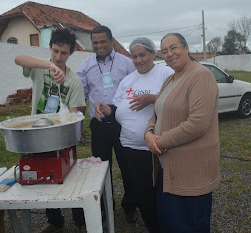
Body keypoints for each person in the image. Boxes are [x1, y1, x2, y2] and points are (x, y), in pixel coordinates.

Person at [95, 37, 173, 233]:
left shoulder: (165, 72)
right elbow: (117, 108)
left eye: (142, 55)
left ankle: (164, 226)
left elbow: (177, 99)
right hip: (128, 146)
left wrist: (153, 98)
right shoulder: (128, 80)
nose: (138, 60)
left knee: (160, 193)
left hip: (155, 146)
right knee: (141, 194)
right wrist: (105, 109)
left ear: (153, 54)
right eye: (134, 56)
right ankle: (154, 227)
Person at [144, 33, 221, 233]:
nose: (169, 54)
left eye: (174, 48)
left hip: (191, 173)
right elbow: (156, 112)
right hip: (167, 170)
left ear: (186, 48)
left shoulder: (201, 76)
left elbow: (198, 124)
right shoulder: (170, 79)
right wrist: (148, 133)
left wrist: (160, 142)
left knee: (189, 225)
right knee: (170, 224)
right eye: (164, 51)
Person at [14, 29, 87, 233]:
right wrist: (48, 65)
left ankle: (80, 221)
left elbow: (74, 115)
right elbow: (18, 59)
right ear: (50, 48)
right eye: (55, 51)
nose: (58, 57)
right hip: (37, 135)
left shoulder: (74, 81)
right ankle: (55, 221)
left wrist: (72, 127)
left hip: (63, 137)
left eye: (63, 53)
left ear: (70, 53)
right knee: (44, 179)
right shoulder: (39, 68)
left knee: (70, 179)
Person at [76, 25, 138, 222]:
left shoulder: (127, 64)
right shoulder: (85, 66)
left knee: (127, 165)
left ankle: (130, 205)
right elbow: (80, 97)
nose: (99, 45)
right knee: (100, 168)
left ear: (112, 41)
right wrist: (78, 123)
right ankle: (104, 206)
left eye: (103, 41)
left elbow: (134, 91)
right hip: (99, 124)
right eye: (95, 42)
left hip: (122, 122)